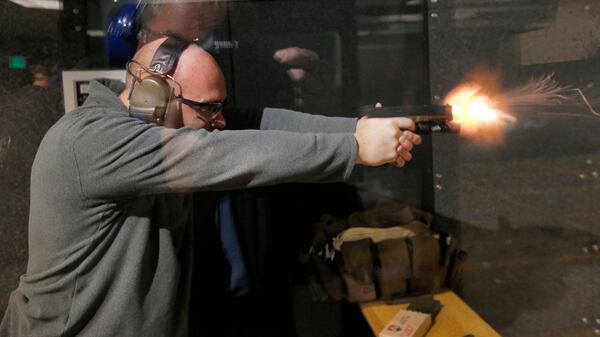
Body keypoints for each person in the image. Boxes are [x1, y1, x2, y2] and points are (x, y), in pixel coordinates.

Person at [0, 37, 420, 337]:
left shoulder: (158, 122)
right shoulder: (91, 139)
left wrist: (359, 128)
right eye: (210, 110)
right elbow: (224, 153)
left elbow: (260, 122)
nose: (220, 120)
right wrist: (352, 149)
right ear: (154, 96)